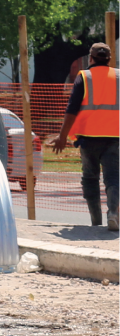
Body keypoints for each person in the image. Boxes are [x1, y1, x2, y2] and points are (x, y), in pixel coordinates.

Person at [52, 42, 120, 230]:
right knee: (114, 177)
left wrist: (62, 136)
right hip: (115, 137)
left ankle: (96, 221)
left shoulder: (84, 77)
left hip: (89, 138)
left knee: (90, 178)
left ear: (90, 58)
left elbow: (72, 109)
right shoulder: (119, 77)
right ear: (109, 59)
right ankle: (113, 212)